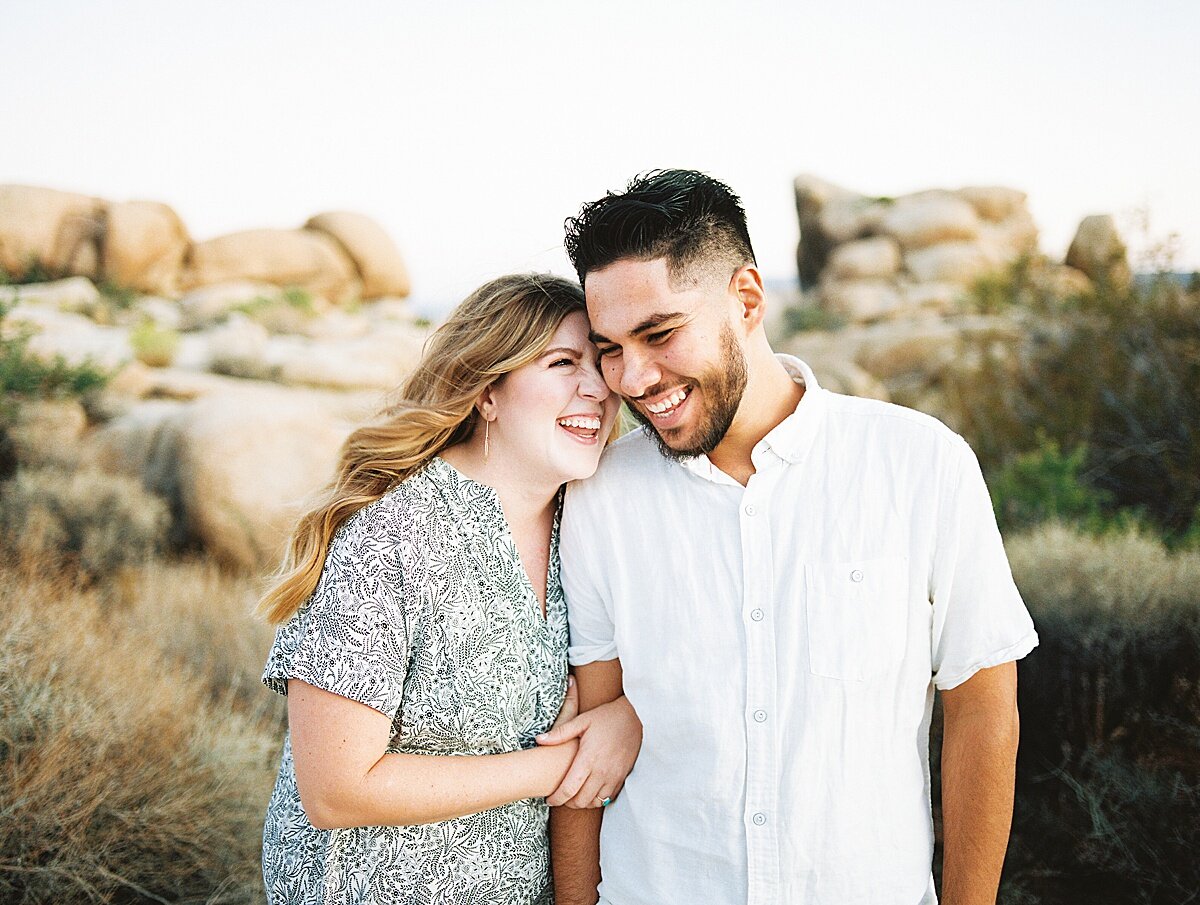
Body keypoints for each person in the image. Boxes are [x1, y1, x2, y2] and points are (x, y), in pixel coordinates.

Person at [541, 170, 1039, 905]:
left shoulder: (920, 463)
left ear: (746, 298)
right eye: (610, 346)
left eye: (660, 333)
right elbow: (591, 739)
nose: (634, 377)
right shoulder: (599, 496)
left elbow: (983, 706)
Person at [257, 273, 641, 905]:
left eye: (601, 363)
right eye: (562, 362)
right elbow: (335, 789)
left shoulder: (589, 524)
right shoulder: (393, 536)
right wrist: (559, 765)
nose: (598, 389)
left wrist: (625, 718)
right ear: (487, 392)